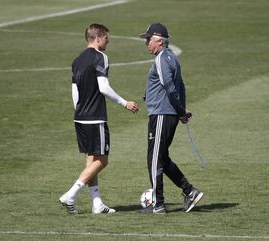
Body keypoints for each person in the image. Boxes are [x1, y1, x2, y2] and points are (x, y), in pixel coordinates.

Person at [59, 23, 139, 214]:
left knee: (91, 161)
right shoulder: (100, 57)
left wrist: (79, 111)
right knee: (102, 161)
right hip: (95, 118)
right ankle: (70, 194)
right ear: (98, 37)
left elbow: (74, 91)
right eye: (106, 38)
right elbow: (103, 87)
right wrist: (124, 102)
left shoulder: (77, 60)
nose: (108, 42)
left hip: (80, 117)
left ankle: (96, 203)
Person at [139, 23, 203, 214]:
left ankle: (158, 204)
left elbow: (169, 86)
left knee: (153, 159)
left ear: (159, 40)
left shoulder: (161, 59)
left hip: (161, 115)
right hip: (168, 113)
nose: (146, 44)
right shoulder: (171, 58)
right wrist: (181, 111)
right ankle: (189, 191)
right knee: (162, 158)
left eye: (148, 40)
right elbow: (179, 85)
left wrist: (180, 110)